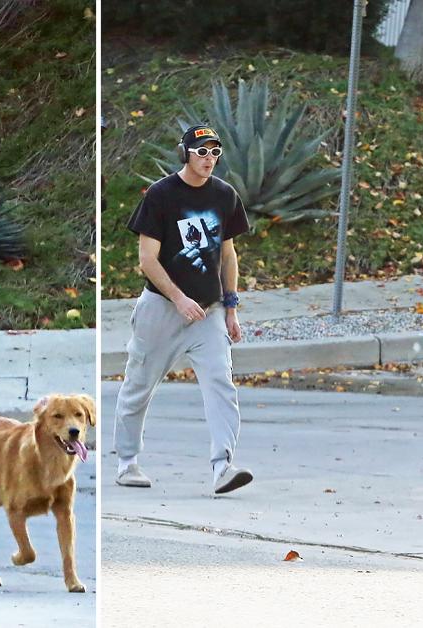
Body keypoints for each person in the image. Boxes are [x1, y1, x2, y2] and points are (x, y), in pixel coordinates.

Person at [114, 124, 254, 495]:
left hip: (207, 313)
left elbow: (228, 255)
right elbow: (148, 260)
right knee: (139, 386)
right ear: (185, 153)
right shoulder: (161, 196)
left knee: (221, 384)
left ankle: (223, 466)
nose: (209, 159)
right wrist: (178, 298)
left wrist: (231, 306)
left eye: (215, 152)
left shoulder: (224, 195)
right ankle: (127, 462)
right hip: (161, 310)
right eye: (202, 151)